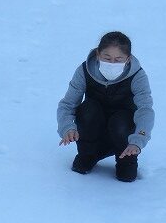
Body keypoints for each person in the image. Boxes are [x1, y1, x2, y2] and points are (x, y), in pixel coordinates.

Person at [57, 31, 154, 183]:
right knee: (87, 110)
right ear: (98, 54)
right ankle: (88, 155)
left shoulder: (138, 76)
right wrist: (67, 127)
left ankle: (126, 160)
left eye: (118, 59)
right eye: (107, 58)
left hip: (123, 132)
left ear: (128, 59)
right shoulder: (84, 70)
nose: (112, 63)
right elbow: (68, 104)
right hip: (93, 127)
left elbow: (145, 110)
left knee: (127, 175)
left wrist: (138, 140)